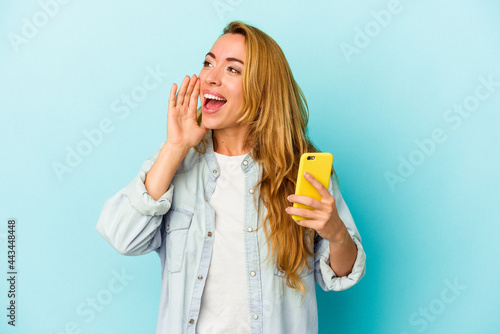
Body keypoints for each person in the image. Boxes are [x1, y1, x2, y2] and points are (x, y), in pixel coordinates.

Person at [96, 21, 366, 334]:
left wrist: (336, 233)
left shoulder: (298, 171)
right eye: (209, 63)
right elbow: (122, 237)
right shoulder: (177, 160)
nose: (211, 76)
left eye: (233, 70)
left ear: (263, 90)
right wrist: (175, 147)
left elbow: (342, 276)